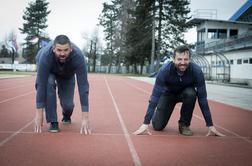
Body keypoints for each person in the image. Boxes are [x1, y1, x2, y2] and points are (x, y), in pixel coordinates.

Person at [134, 45, 225, 136]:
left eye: (185, 59)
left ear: (189, 59)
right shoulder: (164, 70)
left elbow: (202, 99)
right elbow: (155, 96)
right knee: (157, 126)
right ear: (173, 59)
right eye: (179, 59)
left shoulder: (196, 71)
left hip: (185, 93)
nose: (183, 62)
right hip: (168, 94)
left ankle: (184, 125)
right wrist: (145, 123)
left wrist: (210, 125)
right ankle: (159, 109)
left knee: (191, 94)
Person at [34, 35, 91, 134]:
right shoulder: (45, 56)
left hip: (67, 75)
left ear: (71, 49)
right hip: (50, 72)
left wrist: (85, 118)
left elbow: (83, 86)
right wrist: (39, 114)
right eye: (59, 50)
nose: (62, 53)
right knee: (48, 82)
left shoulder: (78, 56)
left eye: (66, 50)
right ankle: (53, 121)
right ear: (53, 49)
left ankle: (66, 115)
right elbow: (41, 84)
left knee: (68, 105)